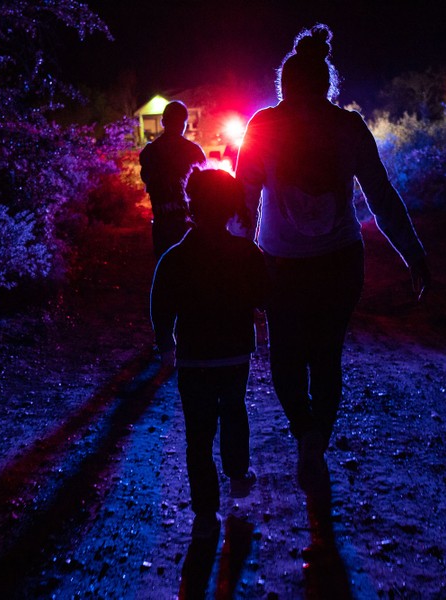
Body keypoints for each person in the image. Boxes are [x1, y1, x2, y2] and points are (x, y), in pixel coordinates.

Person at [235, 24, 430, 497]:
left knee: (285, 360)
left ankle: (304, 433)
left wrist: (234, 262)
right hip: (340, 262)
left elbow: (242, 201)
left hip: (280, 263)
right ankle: (316, 442)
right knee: (326, 359)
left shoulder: (263, 125)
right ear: (326, 83)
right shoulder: (349, 126)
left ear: (285, 84)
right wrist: (413, 253)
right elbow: (381, 198)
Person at [150, 168, 268, 539]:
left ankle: (205, 511)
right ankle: (238, 474)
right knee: (234, 412)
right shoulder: (246, 253)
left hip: (193, 358)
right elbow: (264, 297)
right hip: (234, 354)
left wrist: (166, 344)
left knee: (198, 435)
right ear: (231, 206)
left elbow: (161, 305)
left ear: (191, 205)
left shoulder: (175, 257)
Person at [139, 101, 207, 257]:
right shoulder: (194, 151)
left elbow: (147, 180)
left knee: (165, 266)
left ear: (163, 122)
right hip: (188, 225)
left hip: (162, 225)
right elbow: (205, 188)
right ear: (184, 124)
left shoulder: (150, 152)